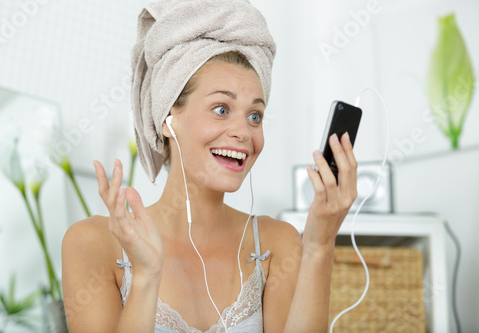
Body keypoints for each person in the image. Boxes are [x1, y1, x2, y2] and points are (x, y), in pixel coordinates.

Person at [61, 0, 358, 332]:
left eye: (255, 115)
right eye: (221, 108)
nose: (244, 132)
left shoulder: (277, 244)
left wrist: (320, 244)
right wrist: (145, 277)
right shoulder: (94, 242)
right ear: (167, 120)